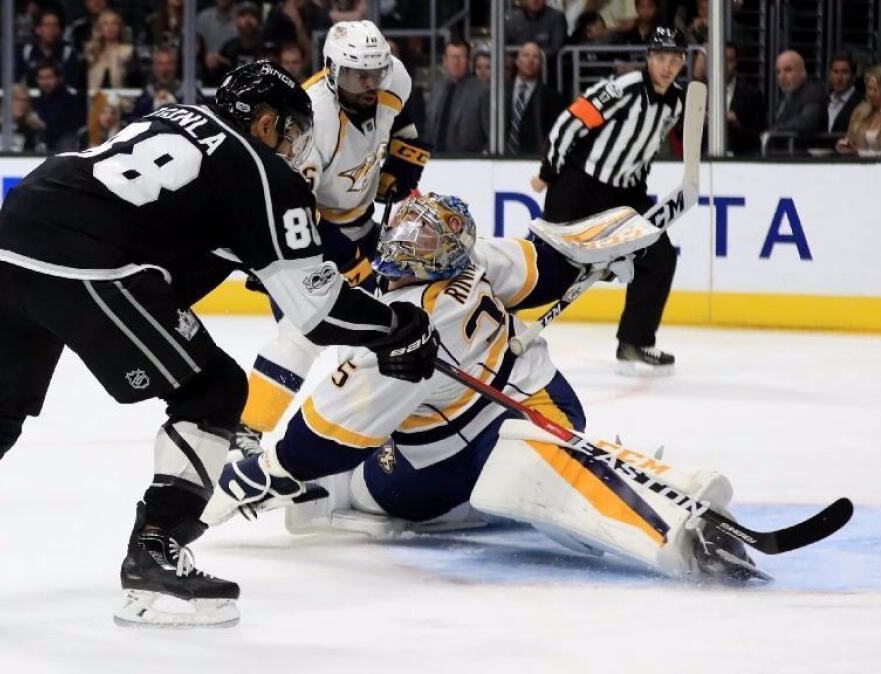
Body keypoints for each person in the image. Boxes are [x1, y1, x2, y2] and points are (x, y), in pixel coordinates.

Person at [0, 60, 439, 628]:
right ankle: (156, 557)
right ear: (266, 120)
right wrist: (398, 329)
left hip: (7, 244)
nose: (294, 149)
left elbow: (176, 222)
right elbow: (318, 309)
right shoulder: (258, 166)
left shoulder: (171, 119)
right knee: (213, 390)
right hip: (89, 266)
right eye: (291, 132)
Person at [202, 191, 762, 582]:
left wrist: (268, 471)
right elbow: (548, 261)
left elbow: (322, 435)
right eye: (407, 231)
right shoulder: (478, 260)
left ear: (443, 255)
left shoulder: (398, 333)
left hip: (459, 459)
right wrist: (606, 248)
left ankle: (662, 523)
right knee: (364, 463)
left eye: (421, 240)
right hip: (550, 403)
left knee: (354, 491)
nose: (405, 245)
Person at [234, 21, 430, 457]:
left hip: (360, 220)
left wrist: (402, 171)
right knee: (302, 334)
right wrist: (346, 259)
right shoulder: (310, 120)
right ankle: (245, 432)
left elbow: (407, 122)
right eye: (355, 75)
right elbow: (296, 209)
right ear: (329, 69)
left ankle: (379, 425)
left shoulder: (391, 77)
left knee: (393, 323)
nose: (368, 84)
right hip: (299, 240)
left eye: (375, 73)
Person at [534, 27, 687, 375]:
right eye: (661, 58)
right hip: (579, 188)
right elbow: (569, 123)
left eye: (675, 59)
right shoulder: (625, 87)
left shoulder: (676, 102)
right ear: (649, 58)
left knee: (660, 259)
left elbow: (645, 148)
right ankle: (496, 318)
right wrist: (548, 172)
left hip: (624, 195)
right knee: (549, 264)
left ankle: (634, 342)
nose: (667, 66)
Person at [424, 39, 490, 154]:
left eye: (460, 57)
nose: (455, 62)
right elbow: (428, 129)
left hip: (468, 163)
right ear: (444, 61)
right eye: (451, 57)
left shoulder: (482, 91)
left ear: (469, 61)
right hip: (435, 162)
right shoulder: (436, 89)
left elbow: (491, 136)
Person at [506, 42, 562, 155]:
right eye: (526, 55)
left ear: (541, 65)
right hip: (500, 158)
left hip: (533, 159)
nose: (530, 60)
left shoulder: (553, 97)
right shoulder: (501, 91)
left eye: (535, 57)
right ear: (517, 61)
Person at [835, 64, 881, 156]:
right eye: (869, 88)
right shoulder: (860, 111)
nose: (871, 93)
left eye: (876, 89)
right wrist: (844, 144)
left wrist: (860, 153)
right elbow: (849, 138)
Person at [767, 50, 825, 150]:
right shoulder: (787, 96)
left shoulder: (812, 92)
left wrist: (776, 130)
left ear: (803, 72)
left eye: (788, 70)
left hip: (803, 158)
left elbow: (806, 122)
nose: (782, 77)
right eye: (778, 72)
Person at [0, 83, 47, 152]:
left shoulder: (34, 128)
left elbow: (40, 155)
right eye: (16, 100)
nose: (21, 104)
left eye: (24, 101)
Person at [17, 8, 82, 89]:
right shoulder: (26, 52)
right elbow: (17, 82)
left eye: (55, 25)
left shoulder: (67, 52)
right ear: (38, 30)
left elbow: (72, 84)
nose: (52, 29)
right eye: (47, 25)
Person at [32, 61, 86, 153]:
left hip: (63, 149)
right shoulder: (37, 101)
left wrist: (40, 122)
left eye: (49, 77)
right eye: (41, 78)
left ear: (59, 78)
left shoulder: (70, 100)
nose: (45, 82)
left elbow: (61, 126)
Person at [723, 42, 764, 157]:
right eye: (720, 59)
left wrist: (737, 125)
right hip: (705, 158)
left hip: (741, 158)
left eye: (729, 60)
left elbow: (758, 134)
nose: (724, 65)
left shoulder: (752, 94)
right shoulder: (700, 91)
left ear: (736, 63)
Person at [84, 8, 140, 91]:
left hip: (121, 100)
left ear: (120, 27)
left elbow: (135, 81)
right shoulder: (90, 51)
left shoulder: (128, 51)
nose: (110, 28)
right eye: (106, 24)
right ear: (99, 28)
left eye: (114, 23)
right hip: (95, 100)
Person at [129, 46, 187, 119]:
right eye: (160, 64)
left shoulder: (188, 94)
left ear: (175, 66)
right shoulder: (145, 98)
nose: (165, 68)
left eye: (169, 63)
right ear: (154, 67)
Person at [218, 3, 268, 76]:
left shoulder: (266, 49)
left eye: (253, 16)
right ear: (236, 21)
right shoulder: (228, 48)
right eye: (243, 15)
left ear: (259, 22)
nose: (248, 20)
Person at [825, 54, 862, 136]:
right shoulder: (823, 101)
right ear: (829, 76)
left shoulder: (861, 103)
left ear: (853, 77)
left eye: (845, 72)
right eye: (835, 72)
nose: (839, 78)